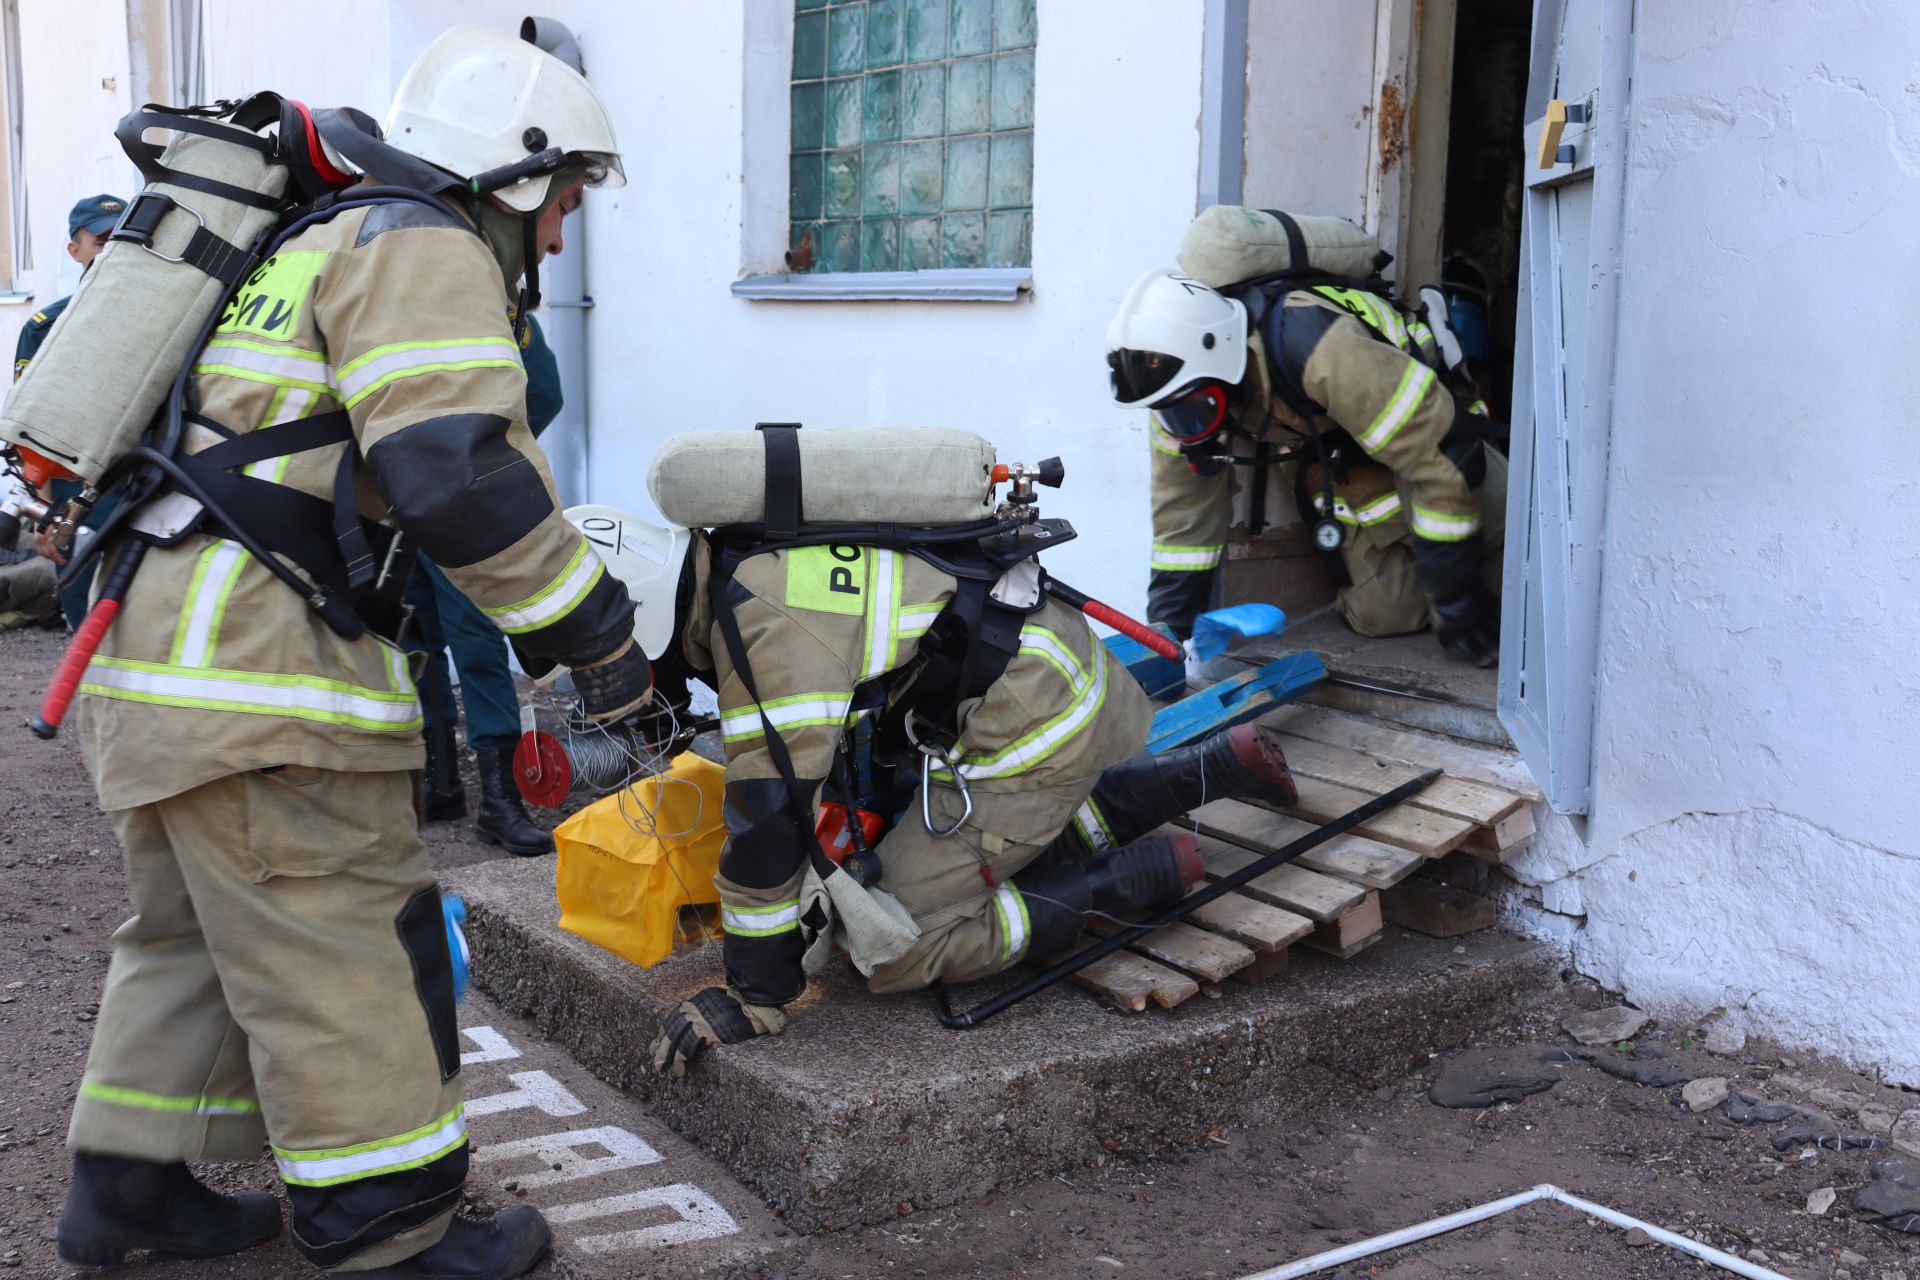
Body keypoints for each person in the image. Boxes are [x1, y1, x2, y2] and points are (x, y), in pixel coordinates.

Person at [56, 27, 650, 1279]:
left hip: (155, 666)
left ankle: (128, 1193)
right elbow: (457, 468)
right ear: (520, 175)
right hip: (268, 686)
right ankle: (389, 1232)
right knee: (345, 939)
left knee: (191, 939)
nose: (556, 241)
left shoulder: (296, 240)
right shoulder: (417, 239)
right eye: (565, 207)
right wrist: (597, 635)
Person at [575, 512, 1303, 1078]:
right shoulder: (747, 559)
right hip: (1050, 688)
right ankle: (1201, 769)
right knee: (901, 845)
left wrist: (755, 992)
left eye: (617, 670)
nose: (640, 690)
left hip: (1036, 733)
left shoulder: (765, 642)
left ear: (642, 622)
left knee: (890, 941)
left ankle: (1129, 879)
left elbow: (767, 821)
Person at [1107, 228, 1503, 668]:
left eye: (1194, 411)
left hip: (1430, 424)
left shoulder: (1320, 349)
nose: (1185, 430)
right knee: (1382, 613)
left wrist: (1456, 594)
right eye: (1171, 415)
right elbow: (1181, 526)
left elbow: (1440, 452)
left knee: (1517, 566)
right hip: (1339, 446)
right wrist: (1169, 638)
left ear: (1222, 360)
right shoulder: (1175, 393)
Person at [410, 312, 565, 855]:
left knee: (469, 638)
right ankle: (442, 784)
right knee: (414, 635)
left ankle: (497, 797)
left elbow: (542, 392)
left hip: (439, 497)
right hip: (398, 496)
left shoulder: (491, 296)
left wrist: (477, 466)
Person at [16, 194, 128, 628]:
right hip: (78, 503)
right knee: (88, 625)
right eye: (102, 241)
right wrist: (42, 514)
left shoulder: (170, 323)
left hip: (147, 491)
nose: (115, 251)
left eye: (126, 240)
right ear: (75, 251)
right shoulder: (47, 328)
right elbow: (29, 430)